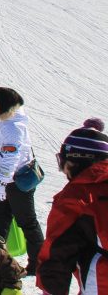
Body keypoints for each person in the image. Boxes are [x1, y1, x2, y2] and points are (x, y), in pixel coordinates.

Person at [36, 118, 108, 294]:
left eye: (63, 163)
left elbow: (57, 255)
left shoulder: (77, 196)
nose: (64, 171)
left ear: (76, 161)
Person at [0, 87, 44, 274]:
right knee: (1, 217)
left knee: (27, 222)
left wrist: (1, 183)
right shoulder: (7, 122)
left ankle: (38, 264)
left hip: (17, 182)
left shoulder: (12, 127)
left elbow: (11, 158)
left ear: (2, 104)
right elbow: (3, 149)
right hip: (11, 181)